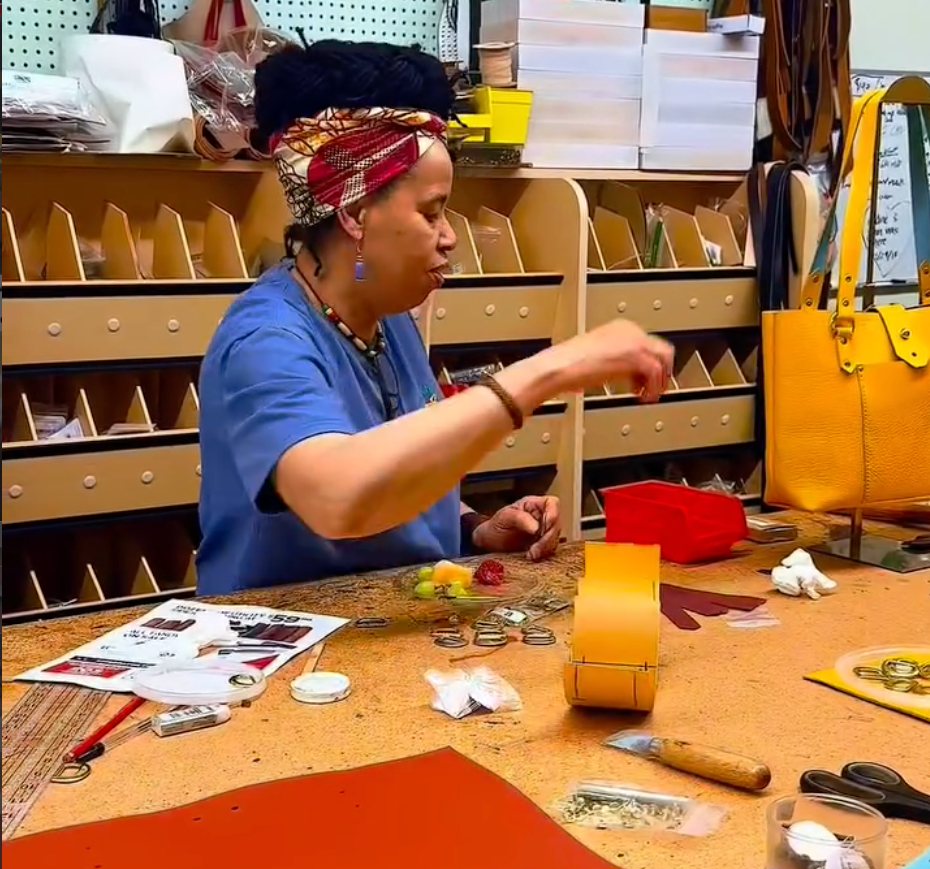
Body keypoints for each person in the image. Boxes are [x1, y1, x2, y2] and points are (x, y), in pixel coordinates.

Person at [195, 39, 674, 596]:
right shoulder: (266, 341)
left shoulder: (385, 315)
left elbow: (394, 465)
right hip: (287, 652)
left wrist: (473, 527)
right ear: (352, 211)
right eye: (431, 212)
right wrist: (552, 369)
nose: (449, 237)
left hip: (392, 625)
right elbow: (337, 497)